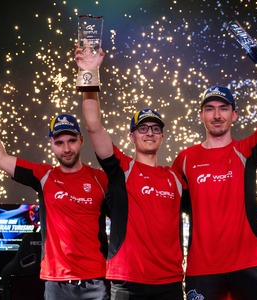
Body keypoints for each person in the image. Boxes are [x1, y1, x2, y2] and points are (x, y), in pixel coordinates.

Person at [172, 42, 257, 300]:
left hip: (251, 263)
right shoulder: (184, 159)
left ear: (234, 115)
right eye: (210, 109)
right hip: (203, 268)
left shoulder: (245, 150)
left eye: (223, 108)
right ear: (201, 115)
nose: (216, 115)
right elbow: (170, 206)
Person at [0, 93, 110, 300]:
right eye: (60, 142)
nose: (66, 148)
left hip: (97, 281)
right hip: (56, 283)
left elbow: (126, 220)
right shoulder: (44, 176)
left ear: (81, 141)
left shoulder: (101, 179)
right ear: (51, 144)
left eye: (71, 141)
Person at [74, 45, 186, 300]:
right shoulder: (121, 168)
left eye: (155, 129)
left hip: (170, 282)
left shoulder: (175, 178)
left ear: (162, 137)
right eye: (143, 128)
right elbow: (93, 125)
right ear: (132, 136)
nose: (149, 133)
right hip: (127, 282)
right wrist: (90, 74)